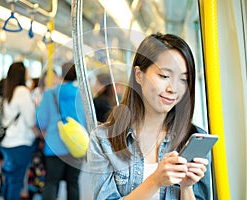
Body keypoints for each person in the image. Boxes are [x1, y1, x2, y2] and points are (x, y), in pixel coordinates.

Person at [88, 33, 211, 199]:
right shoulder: (104, 140)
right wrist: (156, 181)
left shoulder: (192, 138)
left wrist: (186, 187)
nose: (173, 89)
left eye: (183, 80)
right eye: (164, 76)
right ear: (139, 75)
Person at [36, 61, 86, 200]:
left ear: (61, 75)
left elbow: (41, 120)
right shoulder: (82, 95)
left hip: (54, 146)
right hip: (77, 146)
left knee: (51, 183)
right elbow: (88, 122)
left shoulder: (50, 94)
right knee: (73, 184)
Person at [0, 62, 35, 200]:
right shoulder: (22, 91)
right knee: (16, 182)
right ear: (22, 73)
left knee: (8, 180)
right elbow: (30, 119)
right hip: (20, 143)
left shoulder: (9, 90)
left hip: (7, 142)